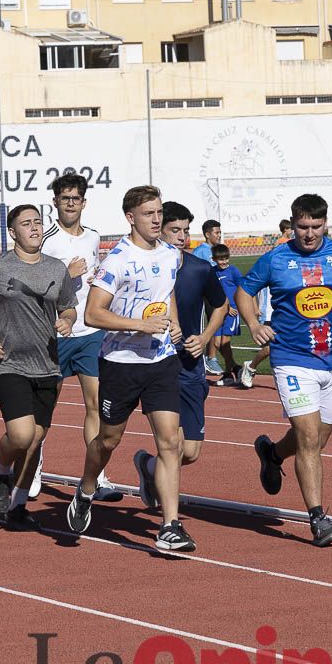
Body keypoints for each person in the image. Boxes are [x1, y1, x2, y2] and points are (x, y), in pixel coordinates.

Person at [234, 194, 332, 547]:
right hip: (291, 359)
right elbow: (244, 291)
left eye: (316, 226)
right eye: (302, 227)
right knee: (309, 438)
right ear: (293, 224)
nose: (309, 234)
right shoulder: (276, 259)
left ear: (325, 224)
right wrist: (254, 324)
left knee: (317, 440)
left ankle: (272, 454)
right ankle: (318, 519)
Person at [65, 185, 192, 551]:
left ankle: (170, 525)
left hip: (161, 361)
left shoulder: (171, 255)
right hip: (120, 365)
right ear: (130, 218)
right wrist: (140, 325)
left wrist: (173, 321)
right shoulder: (117, 261)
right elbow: (93, 314)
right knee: (108, 440)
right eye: (149, 213)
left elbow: (165, 292)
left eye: (159, 212)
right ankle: (86, 488)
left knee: (170, 441)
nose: (157, 219)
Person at [0, 205, 77, 530]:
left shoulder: (56, 267)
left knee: (35, 439)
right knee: (22, 435)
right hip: (8, 363)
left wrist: (67, 321)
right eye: (26, 224)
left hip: (48, 365)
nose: (34, 228)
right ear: (13, 232)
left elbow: (68, 307)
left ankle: (19, 505)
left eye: (38, 222)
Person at [133, 200, 228, 515]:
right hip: (156, 364)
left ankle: (148, 466)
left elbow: (221, 305)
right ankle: (169, 521)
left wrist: (204, 337)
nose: (182, 237)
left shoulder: (200, 269)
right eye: (175, 230)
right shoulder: (142, 266)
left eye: (186, 231)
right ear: (159, 229)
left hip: (190, 365)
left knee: (190, 451)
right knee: (171, 444)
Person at [36, 172, 121, 502]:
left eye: (75, 198)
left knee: (96, 405)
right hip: (55, 333)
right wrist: (64, 274)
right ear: (55, 202)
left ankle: (97, 476)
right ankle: (34, 465)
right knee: (47, 406)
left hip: (91, 332)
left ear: (84, 203)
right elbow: (33, 284)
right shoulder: (46, 239)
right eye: (65, 198)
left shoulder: (93, 237)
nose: (70, 204)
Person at [210, 244, 244, 387]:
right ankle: (236, 368)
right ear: (214, 259)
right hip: (218, 311)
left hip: (232, 311)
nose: (223, 262)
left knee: (225, 343)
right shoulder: (212, 272)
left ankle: (228, 373)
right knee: (217, 343)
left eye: (226, 258)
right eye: (220, 259)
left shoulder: (233, 271)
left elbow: (242, 289)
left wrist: (236, 306)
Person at [194, 219, 223, 374]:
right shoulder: (201, 251)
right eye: (216, 232)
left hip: (215, 292)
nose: (219, 235)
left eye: (220, 232)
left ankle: (211, 357)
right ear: (207, 234)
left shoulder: (217, 250)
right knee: (204, 324)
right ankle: (206, 358)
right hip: (202, 293)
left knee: (216, 323)